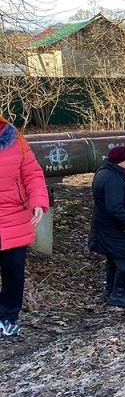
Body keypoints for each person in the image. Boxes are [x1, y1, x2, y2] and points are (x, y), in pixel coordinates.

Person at [0, 116, 48, 336]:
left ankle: (8, 319)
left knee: (14, 272)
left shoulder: (15, 139)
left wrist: (38, 201)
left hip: (15, 217)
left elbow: (32, 173)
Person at [89, 146, 125, 309]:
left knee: (113, 260)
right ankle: (118, 294)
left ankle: (109, 291)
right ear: (121, 161)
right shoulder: (113, 179)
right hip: (116, 229)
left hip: (106, 227)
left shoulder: (105, 173)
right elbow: (115, 208)